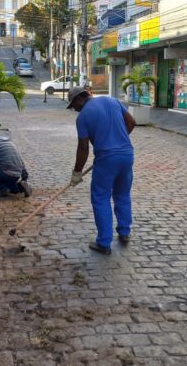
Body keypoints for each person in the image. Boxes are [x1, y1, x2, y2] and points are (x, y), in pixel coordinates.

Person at [67, 86, 136, 255]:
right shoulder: (112, 100)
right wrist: (119, 139)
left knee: (100, 198)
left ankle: (104, 242)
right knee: (122, 194)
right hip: (127, 155)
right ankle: (124, 232)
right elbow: (131, 122)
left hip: (106, 159)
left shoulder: (83, 117)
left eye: (73, 105)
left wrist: (77, 172)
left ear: (79, 99)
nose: (74, 109)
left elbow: (83, 148)